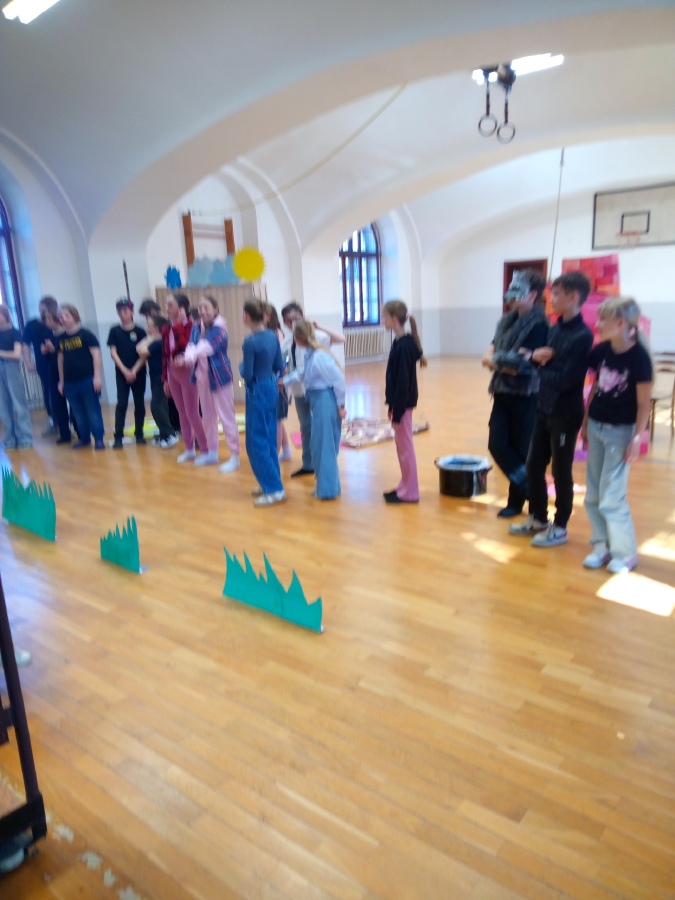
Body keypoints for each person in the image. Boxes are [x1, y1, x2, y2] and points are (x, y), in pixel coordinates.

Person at [509, 271, 594, 546]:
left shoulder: (582, 336)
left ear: (573, 297)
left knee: (560, 472)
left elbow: (566, 380)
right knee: (533, 466)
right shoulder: (554, 329)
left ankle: (560, 526)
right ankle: (538, 517)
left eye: (556, 294)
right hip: (543, 408)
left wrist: (537, 362)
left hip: (565, 414)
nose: (551, 298)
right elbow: (544, 364)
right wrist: (535, 358)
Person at [581, 297, 652, 574]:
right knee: (593, 494)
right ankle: (603, 545)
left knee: (612, 496)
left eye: (603, 320)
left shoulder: (639, 357)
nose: (597, 324)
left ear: (621, 323)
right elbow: (595, 388)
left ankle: (625, 553)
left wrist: (636, 438)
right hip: (596, 426)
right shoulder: (601, 351)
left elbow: (644, 403)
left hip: (620, 434)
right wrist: (586, 421)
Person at [482, 269, 549, 517]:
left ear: (532, 295)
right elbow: (492, 352)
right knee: (497, 444)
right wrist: (500, 360)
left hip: (526, 395)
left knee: (522, 449)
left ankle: (517, 501)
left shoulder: (539, 325)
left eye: (517, 290)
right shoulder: (506, 322)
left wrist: (496, 361)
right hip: (502, 392)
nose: (510, 295)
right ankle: (531, 490)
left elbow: (519, 366)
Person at [280, 301, 345, 478]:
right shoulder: (287, 342)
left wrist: (319, 326)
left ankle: (324, 465)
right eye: (289, 320)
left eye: (296, 318)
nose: (293, 323)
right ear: (285, 323)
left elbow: (341, 339)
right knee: (306, 427)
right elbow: (287, 365)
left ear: (303, 316)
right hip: (299, 391)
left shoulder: (317, 336)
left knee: (321, 429)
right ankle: (308, 463)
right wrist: (282, 377)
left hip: (318, 391)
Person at [184, 295, 240, 472]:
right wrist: (190, 353)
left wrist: (189, 355)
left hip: (220, 377)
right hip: (202, 378)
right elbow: (191, 345)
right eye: (200, 307)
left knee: (226, 417)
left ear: (215, 309)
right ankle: (212, 452)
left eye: (206, 307)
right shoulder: (196, 327)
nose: (202, 311)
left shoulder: (220, 328)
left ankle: (235, 456)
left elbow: (206, 348)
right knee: (207, 417)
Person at [291, 320, 346, 499]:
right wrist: (284, 380)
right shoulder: (311, 354)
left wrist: (341, 406)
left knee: (324, 447)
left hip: (325, 402)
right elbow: (302, 374)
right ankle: (329, 486)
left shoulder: (319, 357)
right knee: (318, 446)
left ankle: (328, 490)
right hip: (317, 401)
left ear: (298, 338)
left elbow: (339, 381)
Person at [240, 299, 286, 506]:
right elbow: (279, 366)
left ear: (246, 316)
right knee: (268, 438)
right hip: (271, 385)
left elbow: (247, 376)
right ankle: (271, 481)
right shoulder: (272, 336)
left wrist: (240, 368)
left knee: (255, 441)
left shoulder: (250, 342)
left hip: (256, 388)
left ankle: (274, 489)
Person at [381, 300, 427, 504]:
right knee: (401, 448)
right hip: (399, 405)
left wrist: (398, 410)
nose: (382, 320)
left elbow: (402, 382)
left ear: (393, 319)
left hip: (404, 405)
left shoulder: (405, 347)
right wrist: (392, 405)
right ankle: (405, 485)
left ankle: (411, 492)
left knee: (405, 448)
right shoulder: (400, 343)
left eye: (384, 317)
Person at [162, 292, 208, 463]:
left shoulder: (192, 326)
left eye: (170, 305)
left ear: (182, 308)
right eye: (166, 305)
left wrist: (179, 324)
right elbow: (165, 354)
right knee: (181, 412)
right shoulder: (166, 328)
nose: (167, 308)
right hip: (172, 373)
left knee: (192, 412)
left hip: (188, 373)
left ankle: (205, 449)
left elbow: (189, 347)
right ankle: (189, 449)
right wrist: (165, 378)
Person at [57, 304, 105, 450]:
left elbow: (96, 355)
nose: (63, 319)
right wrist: (61, 381)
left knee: (92, 410)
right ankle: (84, 438)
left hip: (87, 380)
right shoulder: (61, 339)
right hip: (70, 383)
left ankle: (98, 439)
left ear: (74, 316)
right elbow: (60, 360)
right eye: (61, 316)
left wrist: (97, 377)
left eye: (66, 315)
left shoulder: (86, 334)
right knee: (77, 412)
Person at [107, 298, 147, 449]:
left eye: (125, 310)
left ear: (132, 312)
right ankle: (118, 436)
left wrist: (134, 370)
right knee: (122, 403)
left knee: (139, 403)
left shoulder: (140, 331)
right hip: (122, 373)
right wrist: (125, 371)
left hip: (139, 372)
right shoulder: (114, 331)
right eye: (119, 311)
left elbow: (144, 354)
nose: (122, 313)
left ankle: (139, 433)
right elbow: (113, 352)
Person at [136, 314, 179, 449]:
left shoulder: (158, 342)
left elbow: (140, 350)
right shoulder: (158, 341)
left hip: (161, 378)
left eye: (148, 325)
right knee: (162, 407)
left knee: (156, 406)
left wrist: (151, 338)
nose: (146, 327)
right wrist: (151, 337)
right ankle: (164, 435)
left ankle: (170, 434)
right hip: (156, 378)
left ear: (155, 328)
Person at [0, 305, 33, 450]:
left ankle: (25, 437)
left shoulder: (15, 332)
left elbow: (16, 355)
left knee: (19, 404)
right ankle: (9, 438)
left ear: (5, 315)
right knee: (3, 406)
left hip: (11, 367)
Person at [263, 302, 292, 462]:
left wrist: (281, 380)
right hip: (267, 381)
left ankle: (274, 454)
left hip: (276, 382)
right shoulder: (265, 334)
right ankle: (286, 450)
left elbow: (281, 362)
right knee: (277, 419)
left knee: (276, 419)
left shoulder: (275, 334)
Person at [21, 296, 54, 435]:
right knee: (48, 391)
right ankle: (53, 421)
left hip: (59, 362)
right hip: (43, 364)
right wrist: (28, 362)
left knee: (63, 391)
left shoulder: (57, 322)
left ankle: (69, 423)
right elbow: (25, 345)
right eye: (41, 306)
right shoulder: (32, 324)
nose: (41, 309)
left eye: (44, 306)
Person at [41, 305, 73, 444]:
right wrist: (44, 350)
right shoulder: (48, 335)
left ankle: (78, 429)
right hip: (53, 371)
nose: (47, 322)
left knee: (72, 401)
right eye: (45, 319)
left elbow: (65, 354)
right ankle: (64, 433)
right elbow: (46, 354)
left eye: (50, 318)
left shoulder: (65, 334)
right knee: (57, 403)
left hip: (66, 371)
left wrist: (53, 348)